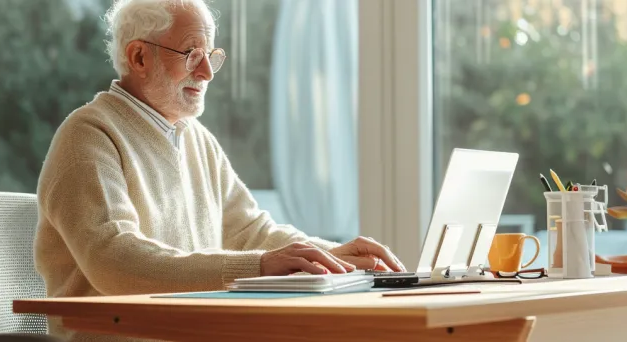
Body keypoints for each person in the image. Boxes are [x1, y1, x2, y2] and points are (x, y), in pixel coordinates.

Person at [33, 0, 405, 339]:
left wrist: (333, 258)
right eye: (192, 54)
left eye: (211, 54)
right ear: (139, 57)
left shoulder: (196, 139)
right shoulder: (89, 136)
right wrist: (258, 267)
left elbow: (250, 231)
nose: (208, 72)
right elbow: (115, 261)